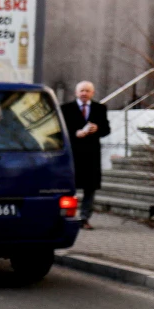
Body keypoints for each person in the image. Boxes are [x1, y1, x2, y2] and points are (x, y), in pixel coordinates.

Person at [60, 80, 111, 228]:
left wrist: (97, 128)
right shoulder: (66, 109)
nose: (84, 93)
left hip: (91, 154)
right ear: (76, 93)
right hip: (73, 154)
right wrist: (75, 133)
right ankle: (67, 216)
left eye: (87, 91)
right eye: (81, 90)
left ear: (92, 93)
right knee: (70, 186)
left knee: (90, 187)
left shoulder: (100, 108)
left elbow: (107, 130)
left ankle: (84, 218)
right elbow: (60, 130)